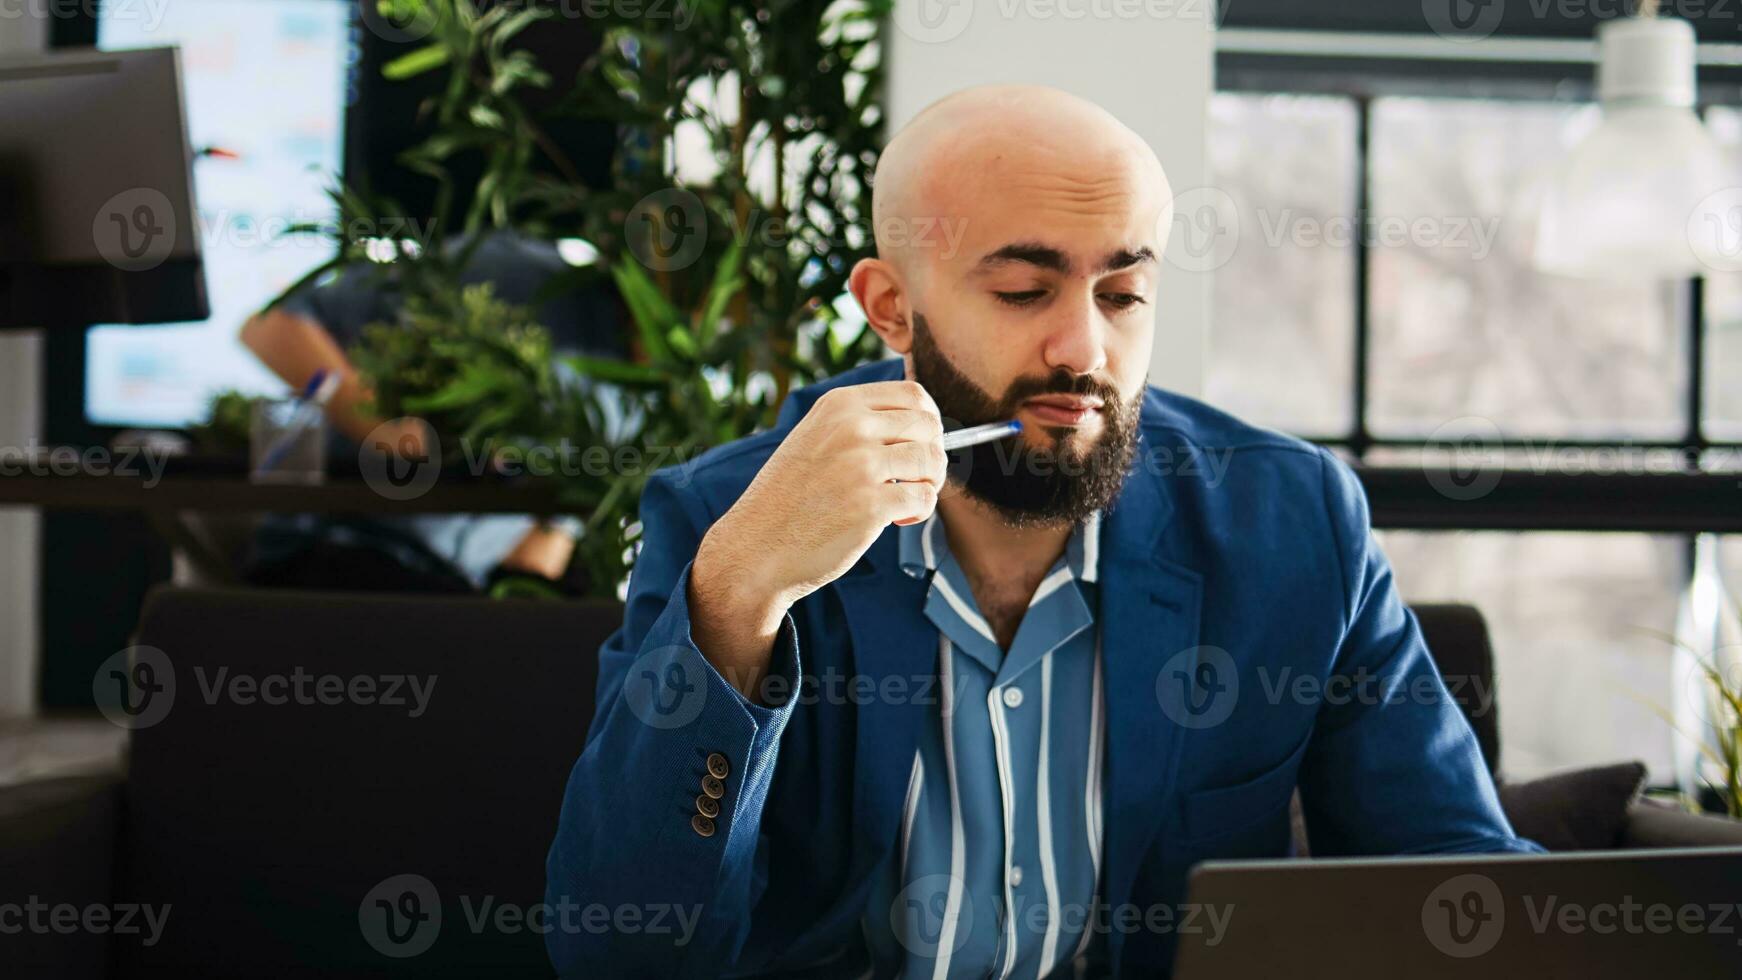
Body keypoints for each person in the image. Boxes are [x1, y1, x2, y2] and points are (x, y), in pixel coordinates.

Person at [544, 84, 1539, 978]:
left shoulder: (1289, 522)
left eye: (1122, 295)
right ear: (891, 307)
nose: (1083, 348)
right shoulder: (732, 513)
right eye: (1022, 291)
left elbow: (1455, 884)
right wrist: (736, 594)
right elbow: (617, 949)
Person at [239, 231, 621, 593]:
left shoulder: (662, 411)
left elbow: (544, 549)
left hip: (460, 590)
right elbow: (270, 329)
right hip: (342, 548)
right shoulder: (516, 275)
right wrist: (387, 427)